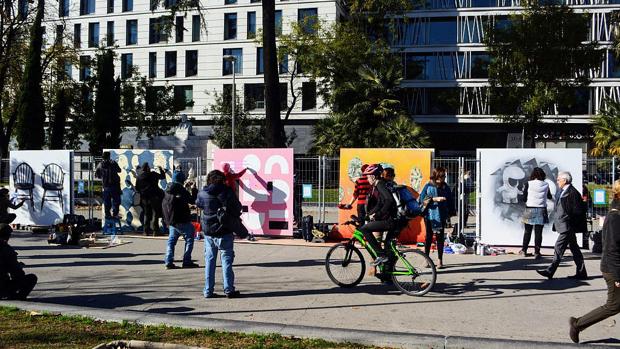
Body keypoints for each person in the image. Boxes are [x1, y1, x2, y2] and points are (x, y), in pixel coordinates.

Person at [569, 179, 620, 343]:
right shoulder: (615, 217)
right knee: (613, 306)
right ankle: (578, 324)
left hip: (614, 266)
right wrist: (618, 276)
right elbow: (612, 248)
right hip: (614, 269)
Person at [196, 170, 243, 299]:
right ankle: (229, 289)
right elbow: (238, 208)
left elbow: (199, 205)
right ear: (222, 180)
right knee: (226, 261)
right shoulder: (227, 192)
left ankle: (208, 291)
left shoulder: (202, 193)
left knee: (209, 262)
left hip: (208, 232)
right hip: (225, 231)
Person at [537, 171, 588, 280]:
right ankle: (582, 272)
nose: (557, 181)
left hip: (567, 226)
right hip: (563, 225)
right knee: (575, 249)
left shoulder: (572, 192)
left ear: (565, 180)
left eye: (559, 179)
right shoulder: (562, 191)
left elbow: (578, 210)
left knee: (558, 247)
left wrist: (569, 221)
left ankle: (550, 271)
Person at [357, 164, 402, 267]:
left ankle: (380, 255)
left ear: (373, 176)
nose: (367, 179)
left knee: (364, 229)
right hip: (396, 220)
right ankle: (387, 275)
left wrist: (378, 215)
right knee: (388, 247)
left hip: (390, 221)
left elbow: (389, 200)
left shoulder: (380, 184)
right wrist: (369, 215)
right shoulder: (381, 184)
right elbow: (380, 203)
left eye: (368, 177)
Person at [419, 167, 455, 269]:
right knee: (429, 237)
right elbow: (422, 199)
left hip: (442, 215)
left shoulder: (445, 187)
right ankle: (426, 260)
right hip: (429, 215)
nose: (443, 178)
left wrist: (451, 213)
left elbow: (450, 200)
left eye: (444, 176)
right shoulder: (428, 185)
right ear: (436, 176)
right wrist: (435, 199)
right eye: (442, 176)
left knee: (440, 238)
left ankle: (440, 261)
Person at [162, 171, 199, 270]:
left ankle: (168, 261)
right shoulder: (181, 190)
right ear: (182, 179)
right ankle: (187, 260)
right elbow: (192, 200)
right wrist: (193, 189)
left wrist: (184, 188)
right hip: (182, 220)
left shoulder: (167, 189)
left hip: (171, 220)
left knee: (171, 241)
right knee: (189, 239)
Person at [520, 167, 552, 259]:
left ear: (533, 175)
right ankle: (537, 252)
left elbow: (524, 198)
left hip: (529, 208)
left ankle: (524, 250)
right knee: (538, 233)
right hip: (541, 209)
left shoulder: (528, 184)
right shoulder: (546, 184)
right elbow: (549, 196)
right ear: (543, 175)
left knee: (527, 231)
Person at [0, 224, 37, 300]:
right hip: (1, 288)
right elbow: (16, 273)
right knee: (32, 278)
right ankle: (17, 297)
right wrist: (18, 266)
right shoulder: (6, 249)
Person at [135, 163, 166, 236]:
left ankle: (146, 231)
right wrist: (161, 170)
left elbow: (137, 188)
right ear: (148, 168)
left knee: (147, 214)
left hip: (144, 198)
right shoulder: (153, 174)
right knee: (155, 214)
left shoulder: (139, 177)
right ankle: (156, 231)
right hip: (154, 197)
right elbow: (162, 177)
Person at [95, 152, 122, 219]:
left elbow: (97, 175)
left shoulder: (100, 164)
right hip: (115, 186)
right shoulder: (113, 163)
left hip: (105, 186)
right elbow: (119, 170)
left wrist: (103, 176)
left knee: (107, 202)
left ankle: (107, 215)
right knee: (116, 201)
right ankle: (115, 214)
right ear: (109, 156)